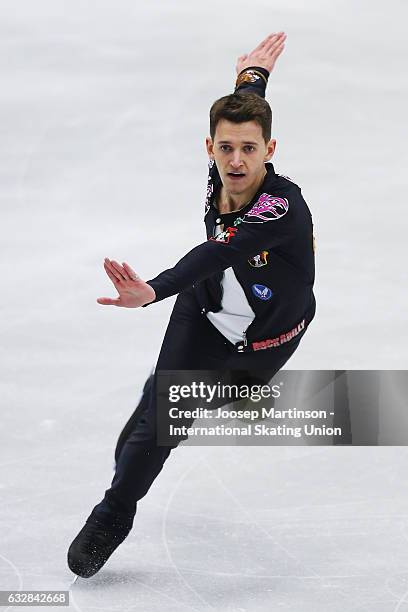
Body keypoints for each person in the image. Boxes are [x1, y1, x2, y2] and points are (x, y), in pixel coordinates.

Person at [67, 31, 316, 578]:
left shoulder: (281, 209)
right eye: (224, 148)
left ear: (270, 152)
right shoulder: (222, 168)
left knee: (183, 409)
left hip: (269, 340)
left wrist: (152, 288)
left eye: (249, 148)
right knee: (162, 424)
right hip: (200, 319)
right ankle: (113, 515)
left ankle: (159, 403)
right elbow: (241, 115)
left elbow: (212, 253)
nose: (235, 160)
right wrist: (251, 78)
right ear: (210, 148)